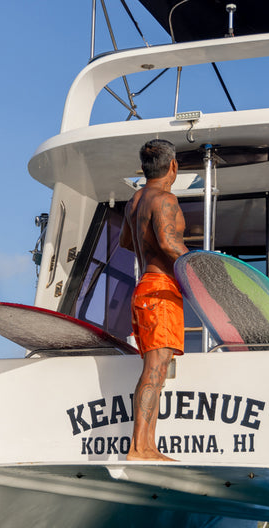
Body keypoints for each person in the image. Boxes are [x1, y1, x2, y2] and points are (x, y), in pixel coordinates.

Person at [119, 139, 189, 460]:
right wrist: (202, 266)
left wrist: (152, 254)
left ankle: (147, 445)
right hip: (160, 289)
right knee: (155, 369)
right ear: (172, 166)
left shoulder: (135, 201)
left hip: (146, 285)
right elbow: (168, 242)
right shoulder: (165, 199)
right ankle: (140, 447)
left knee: (156, 370)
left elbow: (126, 241)